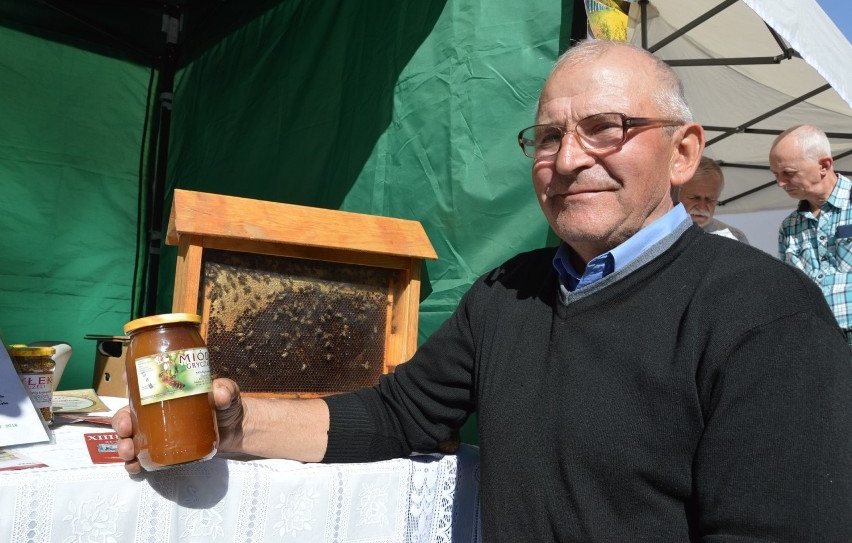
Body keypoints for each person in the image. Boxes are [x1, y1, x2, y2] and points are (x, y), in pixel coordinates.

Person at [114, 41, 852, 540]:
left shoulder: (767, 314)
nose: (569, 159)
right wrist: (232, 425)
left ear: (684, 151)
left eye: (606, 128)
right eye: (549, 137)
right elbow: (395, 413)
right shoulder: (509, 294)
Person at [770, 123, 852, 345]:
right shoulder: (790, 226)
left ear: (824, 165)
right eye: (776, 174)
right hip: (818, 344)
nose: (780, 183)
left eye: (788, 173)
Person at [679, 155, 749, 242]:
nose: (702, 207)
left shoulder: (734, 238)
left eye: (710, 199)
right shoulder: (660, 235)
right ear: (675, 194)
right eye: (694, 198)